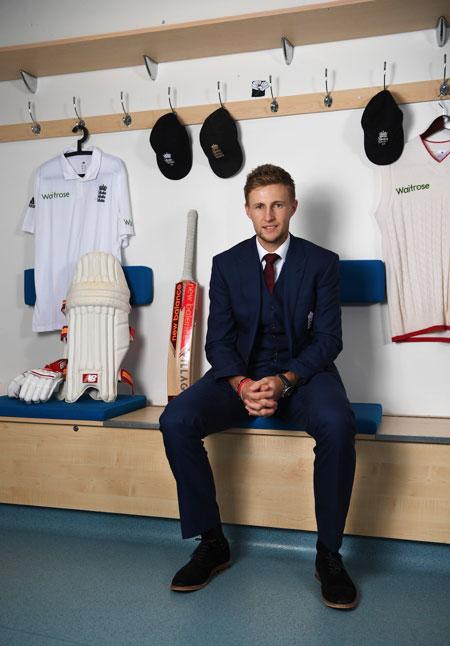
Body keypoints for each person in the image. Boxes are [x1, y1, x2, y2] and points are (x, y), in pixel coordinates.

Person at [159, 164, 358, 609]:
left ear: (293, 207)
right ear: (247, 210)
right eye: (259, 206)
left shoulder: (322, 263)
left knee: (338, 422)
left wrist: (285, 379)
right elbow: (218, 341)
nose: (269, 216)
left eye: (277, 205)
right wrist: (244, 383)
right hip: (241, 377)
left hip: (303, 376)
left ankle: (328, 555)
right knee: (176, 419)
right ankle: (212, 542)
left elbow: (329, 339)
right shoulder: (226, 264)